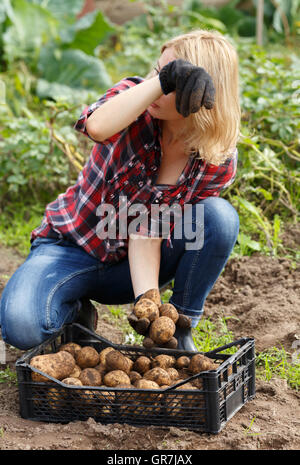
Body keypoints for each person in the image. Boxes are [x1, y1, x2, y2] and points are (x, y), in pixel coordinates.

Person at [0, 29, 241, 352]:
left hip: (128, 268)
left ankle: (178, 333)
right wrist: (160, 82)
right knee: (22, 325)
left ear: (198, 95)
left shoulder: (214, 160)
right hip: (71, 248)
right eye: (158, 71)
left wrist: (149, 305)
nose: (156, 84)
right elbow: (97, 126)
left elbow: (149, 228)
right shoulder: (135, 101)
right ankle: (75, 314)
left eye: (171, 82)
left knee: (219, 218)